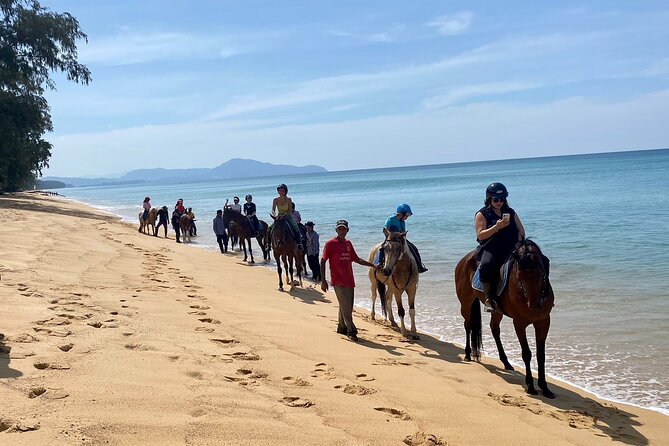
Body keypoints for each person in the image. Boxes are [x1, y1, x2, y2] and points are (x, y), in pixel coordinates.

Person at [320, 220, 378, 342]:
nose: (342, 231)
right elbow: (323, 261)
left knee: (346, 305)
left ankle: (341, 327)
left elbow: (356, 259)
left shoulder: (348, 243)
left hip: (349, 280)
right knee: (347, 307)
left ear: (347, 230)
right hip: (337, 281)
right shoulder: (330, 243)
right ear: (336, 230)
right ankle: (351, 331)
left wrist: (373, 265)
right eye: (339, 229)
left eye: (344, 229)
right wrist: (323, 280)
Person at [475, 182, 526, 312]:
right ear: (489, 199)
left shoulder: (510, 212)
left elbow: (521, 230)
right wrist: (496, 227)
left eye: (502, 199)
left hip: (513, 247)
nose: (499, 202)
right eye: (496, 200)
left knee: (537, 260)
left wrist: (519, 243)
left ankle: (541, 295)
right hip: (492, 248)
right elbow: (480, 235)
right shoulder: (482, 214)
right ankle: (489, 298)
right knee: (486, 265)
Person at [378, 204, 428, 273]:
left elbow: (403, 232)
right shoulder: (390, 219)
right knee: (382, 248)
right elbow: (385, 229)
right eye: (406, 216)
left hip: (400, 239)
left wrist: (402, 235)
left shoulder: (402, 222)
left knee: (414, 248)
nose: (407, 218)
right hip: (391, 239)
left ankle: (419, 266)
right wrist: (391, 234)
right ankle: (378, 263)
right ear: (401, 214)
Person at [270, 183, 303, 251]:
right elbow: (273, 209)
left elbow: (290, 210)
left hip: (287, 216)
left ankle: (299, 244)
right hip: (279, 217)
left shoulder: (289, 199)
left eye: (282, 190)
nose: (281, 192)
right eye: (280, 190)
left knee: (295, 227)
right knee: (269, 228)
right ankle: (268, 244)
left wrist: (284, 215)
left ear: (285, 191)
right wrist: (275, 215)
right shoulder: (275, 200)